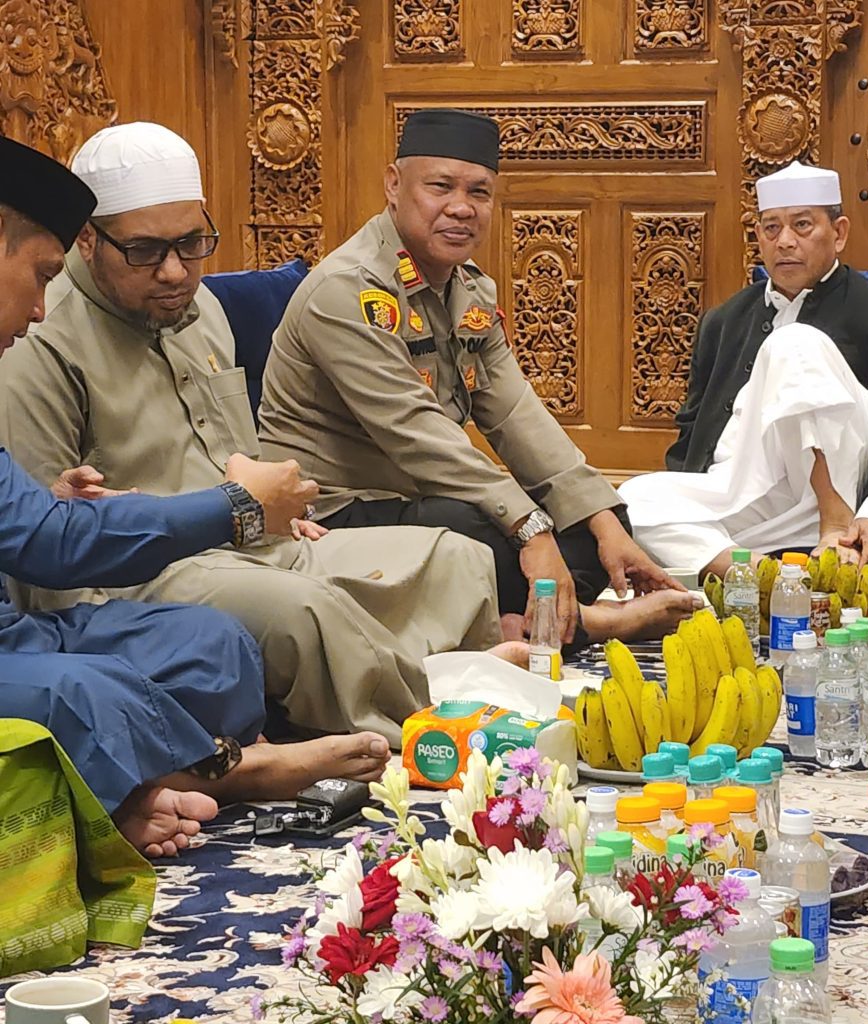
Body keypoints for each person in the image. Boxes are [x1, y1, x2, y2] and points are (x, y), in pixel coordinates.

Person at [0, 122, 506, 759]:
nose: (175, 271)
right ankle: (428, 733)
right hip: (143, 570)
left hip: (247, 536)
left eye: (192, 242)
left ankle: (464, 685)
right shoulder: (35, 341)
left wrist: (275, 511)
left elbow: (235, 451)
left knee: (454, 556)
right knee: (301, 609)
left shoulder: (198, 310)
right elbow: (42, 549)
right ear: (88, 242)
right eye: (146, 251)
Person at [0, 133, 388, 858]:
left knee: (210, 645)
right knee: (81, 692)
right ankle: (237, 771)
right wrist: (238, 508)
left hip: (16, 632)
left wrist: (48, 494)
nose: (42, 310)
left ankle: (168, 776)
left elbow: (29, 519)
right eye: (39, 275)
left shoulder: (196, 316)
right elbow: (48, 545)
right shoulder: (48, 347)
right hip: (47, 616)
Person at [258, 108, 696, 647]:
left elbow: (517, 417)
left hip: (425, 499)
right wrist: (530, 529)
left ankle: (523, 623)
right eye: (440, 187)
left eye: (480, 192)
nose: (461, 208)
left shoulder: (469, 290)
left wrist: (606, 524)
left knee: (592, 524)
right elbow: (418, 435)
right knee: (483, 537)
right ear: (394, 185)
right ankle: (587, 623)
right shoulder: (347, 291)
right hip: (336, 510)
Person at [618, 160, 868, 578]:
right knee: (631, 500)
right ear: (758, 237)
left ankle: (835, 526)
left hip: (847, 483)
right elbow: (691, 433)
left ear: (840, 233)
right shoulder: (722, 321)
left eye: (802, 225)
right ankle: (761, 575)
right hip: (753, 495)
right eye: (772, 228)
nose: (785, 242)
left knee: (793, 341)